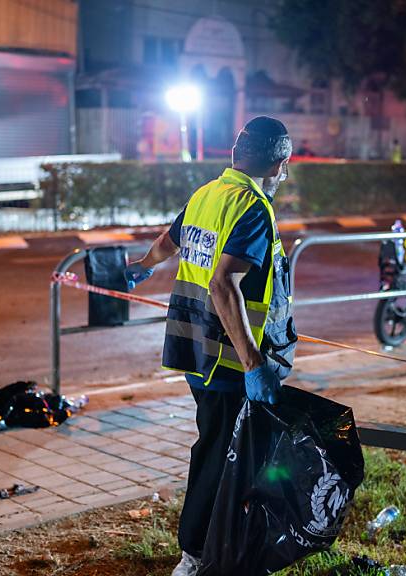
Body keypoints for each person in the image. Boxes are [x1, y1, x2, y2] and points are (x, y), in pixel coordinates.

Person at [124, 116, 297, 576]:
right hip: (229, 361)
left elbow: (171, 239)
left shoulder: (207, 194)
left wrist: (144, 264)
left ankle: (222, 544)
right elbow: (224, 285)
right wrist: (254, 363)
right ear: (281, 163)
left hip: (197, 352)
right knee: (223, 455)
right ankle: (198, 553)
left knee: (220, 447)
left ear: (234, 154)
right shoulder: (253, 208)